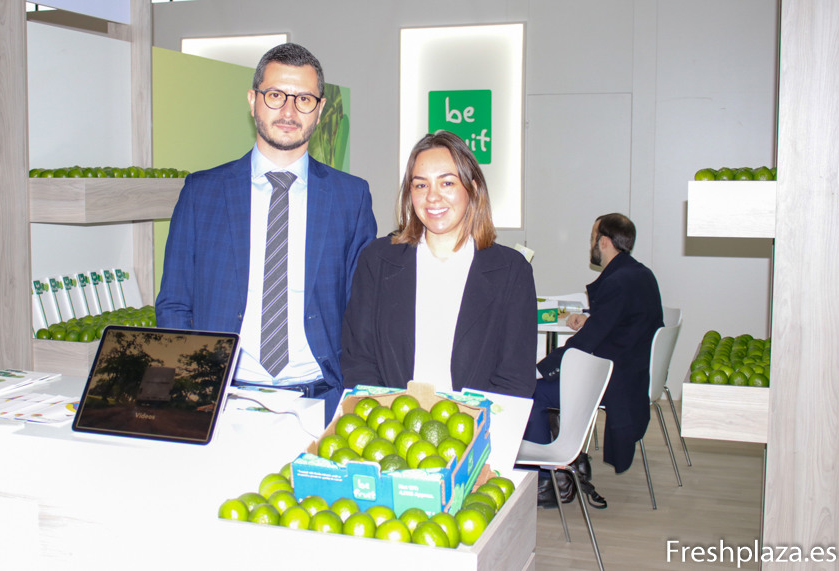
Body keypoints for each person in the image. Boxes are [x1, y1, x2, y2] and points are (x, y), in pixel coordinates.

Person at [156, 43, 377, 425]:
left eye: (304, 99)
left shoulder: (350, 197)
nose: (289, 111)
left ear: (320, 109)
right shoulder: (202, 192)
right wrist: (190, 391)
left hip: (321, 401)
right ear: (253, 100)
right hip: (223, 401)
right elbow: (175, 304)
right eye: (276, 95)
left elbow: (363, 312)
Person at [341, 131, 537, 398]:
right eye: (421, 185)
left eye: (447, 183)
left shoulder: (511, 271)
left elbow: (514, 378)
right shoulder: (377, 260)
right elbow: (358, 359)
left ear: (473, 188)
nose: (432, 197)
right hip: (391, 418)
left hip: (475, 419)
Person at [526, 213, 663, 508]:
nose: (591, 245)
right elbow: (622, 322)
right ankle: (570, 458)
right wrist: (590, 318)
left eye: (592, 238)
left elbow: (584, 345)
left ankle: (546, 483)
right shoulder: (641, 274)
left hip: (614, 381)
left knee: (534, 391)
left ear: (604, 242)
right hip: (632, 373)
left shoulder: (618, 282)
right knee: (550, 383)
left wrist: (539, 370)